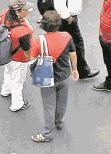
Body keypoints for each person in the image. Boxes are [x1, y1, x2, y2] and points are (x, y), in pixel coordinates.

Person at [30, 9, 78, 144]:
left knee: (49, 105)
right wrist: (74, 69)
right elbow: (73, 54)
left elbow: (32, 59)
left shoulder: (40, 40)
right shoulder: (66, 36)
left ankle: (46, 132)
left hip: (47, 77)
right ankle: (59, 122)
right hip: (64, 75)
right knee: (62, 101)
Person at [0, 0, 36, 113]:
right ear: (18, 12)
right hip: (19, 59)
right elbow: (27, 50)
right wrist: (31, 62)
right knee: (17, 81)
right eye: (25, 9)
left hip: (7, 54)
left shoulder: (6, 14)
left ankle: (6, 90)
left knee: (8, 72)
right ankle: (17, 104)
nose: (28, 11)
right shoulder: (22, 32)